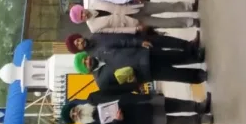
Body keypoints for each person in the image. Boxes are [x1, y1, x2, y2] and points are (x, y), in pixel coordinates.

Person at [60, 90, 213, 124]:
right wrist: (117, 121)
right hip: (140, 121)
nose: (76, 113)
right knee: (175, 122)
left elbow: (114, 90)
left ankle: (199, 107)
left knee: (174, 104)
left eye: (73, 110)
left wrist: (134, 87)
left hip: (140, 102)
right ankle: (201, 120)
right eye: (73, 116)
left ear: (76, 106)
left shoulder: (93, 98)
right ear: (75, 121)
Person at [74, 45, 207, 87]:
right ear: (87, 70)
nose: (87, 61)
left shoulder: (101, 50)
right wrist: (134, 83)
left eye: (85, 59)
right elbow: (121, 89)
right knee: (173, 74)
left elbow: (121, 43)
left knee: (172, 55)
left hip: (143, 54)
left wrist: (138, 43)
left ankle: (195, 56)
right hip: (144, 72)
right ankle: (198, 76)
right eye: (85, 64)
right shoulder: (101, 81)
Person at [68, 0, 198, 31]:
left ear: (81, 8)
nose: (84, 15)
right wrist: (134, 29)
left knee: (164, 6)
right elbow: (114, 31)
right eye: (81, 17)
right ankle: (191, 22)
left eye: (81, 12)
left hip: (133, 6)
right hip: (133, 22)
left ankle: (189, 6)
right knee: (165, 23)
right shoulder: (93, 27)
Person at [65, 30, 203, 59]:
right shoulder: (95, 56)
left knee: (164, 40)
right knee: (168, 55)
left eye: (77, 40)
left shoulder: (95, 35)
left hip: (136, 39)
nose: (79, 42)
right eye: (77, 45)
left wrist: (138, 40)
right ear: (79, 50)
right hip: (137, 54)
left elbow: (118, 36)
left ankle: (189, 46)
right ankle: (192, 54)